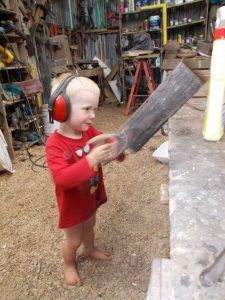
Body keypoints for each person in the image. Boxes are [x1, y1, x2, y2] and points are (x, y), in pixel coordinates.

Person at [46, 73, 118, 286]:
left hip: (90, 196)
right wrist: (90, 160)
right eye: (87, 109)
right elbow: (62, 179)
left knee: (90, 225)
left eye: (94, 109)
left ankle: (90, 249)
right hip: (73, 204)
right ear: (62, 108)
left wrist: (114, 143)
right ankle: (68, 264)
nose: (93, 115)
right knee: (74, 239)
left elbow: (105, 136)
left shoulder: (88, 132)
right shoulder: (55, 144)